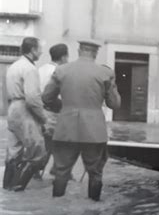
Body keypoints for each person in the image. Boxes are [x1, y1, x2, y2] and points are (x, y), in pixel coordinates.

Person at [42, 40, 121, 201]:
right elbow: (115, 104)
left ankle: (57, 210)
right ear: (95, 53)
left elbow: (46, 98)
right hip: (94, 131)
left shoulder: (62, 70)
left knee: (61, 171)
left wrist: (65, 108)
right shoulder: (104, 73)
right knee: (95, 172)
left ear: (79, 51)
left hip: (66, 128)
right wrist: (113, 84)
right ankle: (93, 211)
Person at [3, 37, 47, 191]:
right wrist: (43, 118)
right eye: (40, 49)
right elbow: (33, 98)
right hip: (24, 110)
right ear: (33, 50)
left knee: (14, 151)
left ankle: (7, 188)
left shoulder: (14, 66)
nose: (41, 52)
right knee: (37, 152)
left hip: (13, 107)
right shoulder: (30, 68)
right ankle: (17, 189)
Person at [35, 43, 69, 178]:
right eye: (67, 56)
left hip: (40, 110)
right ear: (63, 57)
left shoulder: (40, 69)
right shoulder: (59, 71)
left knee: (47, 141)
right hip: (55, 110)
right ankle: (52, 168)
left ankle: (40, 169)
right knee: (60, 141)